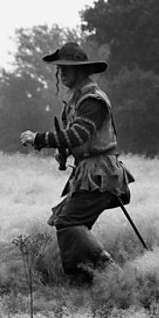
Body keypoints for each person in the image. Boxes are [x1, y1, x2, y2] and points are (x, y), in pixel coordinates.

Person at [19, 42, 133, 283]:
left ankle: (109, 271)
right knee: (71, 225)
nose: (61, 73)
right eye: (60, 69)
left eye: (67, 68)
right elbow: (79, 140)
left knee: (68, 222)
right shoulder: (76, 100)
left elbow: (78, 135)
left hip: (100, 173)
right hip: (89, 172)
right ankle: (85, 281)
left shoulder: (92, 100)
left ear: (81, 70)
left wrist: (39, 139)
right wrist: (64, 151)